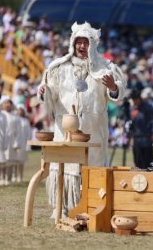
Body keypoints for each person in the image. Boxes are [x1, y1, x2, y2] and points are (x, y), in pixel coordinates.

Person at [37, 22, 127, 218]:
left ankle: (91, 206)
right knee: (65, 167)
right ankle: (62, 206)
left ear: (92, 44)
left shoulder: (106, 68)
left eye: (85, 42)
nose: (81, 46)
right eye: (78, 42)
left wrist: (112, 86)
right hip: (65, 129)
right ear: (72, 43)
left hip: (93, 131)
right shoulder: (58, 67)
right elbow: (49, 92)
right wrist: (45, 91)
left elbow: (119, 93)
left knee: (92, 168)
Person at [129, 89, 153, 169]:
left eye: (136, 99)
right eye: (133, 100)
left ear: (139, 98)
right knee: (137, 160)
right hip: (136, 138)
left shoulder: (148, 107)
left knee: (147, 160)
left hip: (146, 137)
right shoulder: (133, 109)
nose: (134, 101)